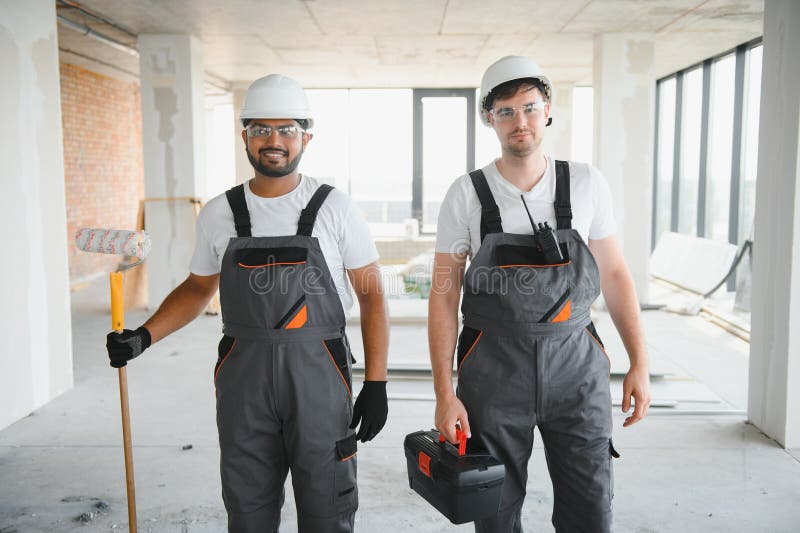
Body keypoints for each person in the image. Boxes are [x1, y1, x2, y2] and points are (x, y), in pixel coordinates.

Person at [106, 74, 389, 533]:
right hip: (244, 381)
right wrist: (144, 336)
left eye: (286, 130)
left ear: (306, 137)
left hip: (319, 375)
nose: (272, 141)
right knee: (248, 509)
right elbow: (198, 289)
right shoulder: (220, 212)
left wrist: (376, 382)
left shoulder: (334, 207)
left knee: (327, 509)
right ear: (244, 136)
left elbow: (373, 295)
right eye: (260, 129)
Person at [428, 56, 651, 532]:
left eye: (528, 107)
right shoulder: (466, 195)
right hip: (492, 373)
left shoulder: (587, 183)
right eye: (505, 111)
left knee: (590, 509)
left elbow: (614, 274)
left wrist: (640, 362)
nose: (519, 121)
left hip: (577, 371)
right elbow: (444, 295)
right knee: (494, 512)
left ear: (547, 109)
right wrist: (445, 394)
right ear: (490, 119)